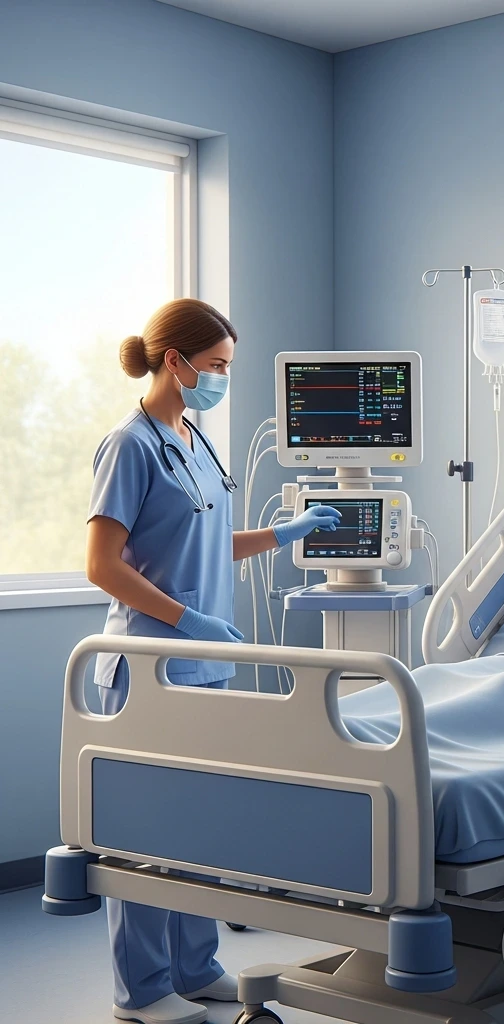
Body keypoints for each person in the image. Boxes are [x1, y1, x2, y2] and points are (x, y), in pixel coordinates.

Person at [85, 298, 342, 1024]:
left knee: (196, 826)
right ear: (177, 362)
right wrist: (187, 619)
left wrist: (281, 533)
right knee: (142, 833)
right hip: (149, 668)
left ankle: (196, 967)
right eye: (219, 367)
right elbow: (103, 565)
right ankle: (141, 993)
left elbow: (204, 543)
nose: (224, 380)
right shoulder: (129, 445)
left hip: (202, 664)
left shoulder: (193, 438)